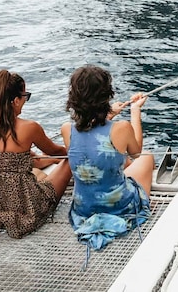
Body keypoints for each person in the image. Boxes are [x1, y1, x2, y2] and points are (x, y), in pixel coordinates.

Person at [0, 70, 72, 238]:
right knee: (72, 160)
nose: (25, 100)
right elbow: (60, 152)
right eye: (25, 96)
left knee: (38, 167)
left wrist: (47, 159)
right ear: (15, 100)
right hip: (23, 207)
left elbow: (9, 161)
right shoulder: (29, 127)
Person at [61, 65, 155, 250]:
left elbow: (92, 138)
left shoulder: (66, 129)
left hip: (83, 209)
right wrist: (135, 110)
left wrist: (110, 113)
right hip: (118, 207)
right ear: (106, 95)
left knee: (111, 158)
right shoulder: (121, 128)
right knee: (146, 158)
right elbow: (136, 152)